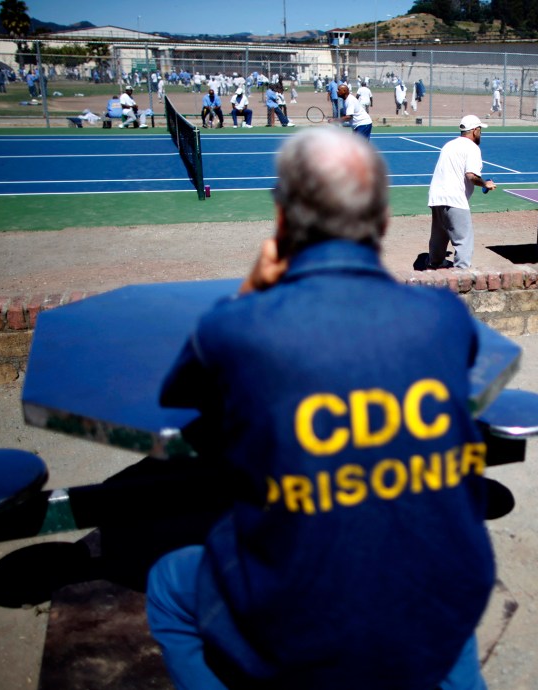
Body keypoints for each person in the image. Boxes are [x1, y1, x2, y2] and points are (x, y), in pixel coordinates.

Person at [147, 125, 495, 690]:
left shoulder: (235, 329)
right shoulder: (445, 318)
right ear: (381, 224)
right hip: (445, 601)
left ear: (282, 224)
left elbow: (177, 393)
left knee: (168, 584)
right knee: (437, 593)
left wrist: (249, 290)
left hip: (302, 629)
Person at [426, 115, 495, 270]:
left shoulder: (449, 145)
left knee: (439, 234)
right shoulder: (472, 148)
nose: (481, 134)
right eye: (480, 130)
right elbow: (471, 175)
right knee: (464, 240)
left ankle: (434, 266)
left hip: (436, 197)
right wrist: (485, 183)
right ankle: (462, 275)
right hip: (455, 199)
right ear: (475, 131)